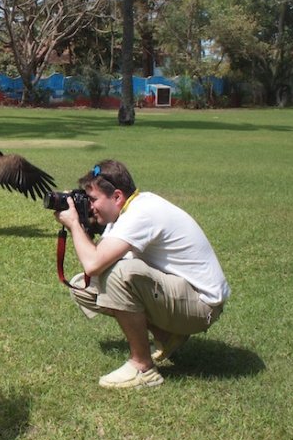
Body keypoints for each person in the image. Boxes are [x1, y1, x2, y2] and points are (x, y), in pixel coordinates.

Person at [54, 159, 230, 389]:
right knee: (83, 286)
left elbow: (94, 263)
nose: (91, 206)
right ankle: (166, 337)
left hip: (203, 306)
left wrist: (75, 225)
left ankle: (143, 368)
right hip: (185, 295)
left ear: (117, 196)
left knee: (117, 274)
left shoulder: (141, 213)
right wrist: (81, 220)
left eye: (94, 199)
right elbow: (96, 263)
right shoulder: (125, 213)